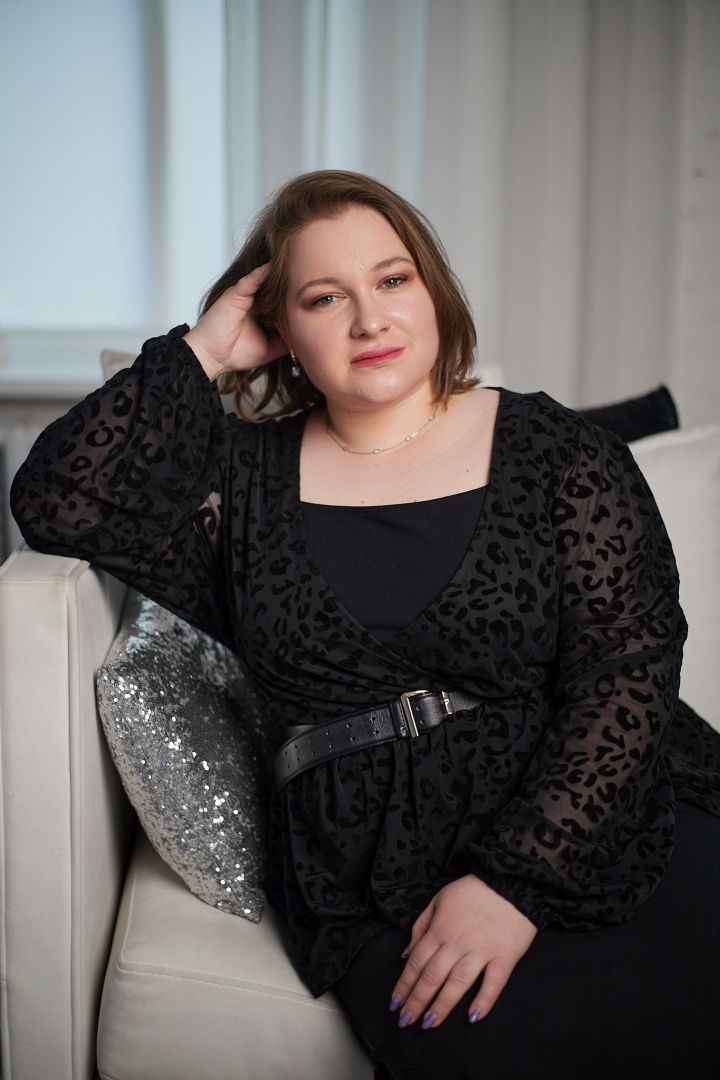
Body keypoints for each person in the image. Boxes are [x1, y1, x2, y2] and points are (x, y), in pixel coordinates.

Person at [11, 170, 720, 1079]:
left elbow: (629, 667)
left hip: (596, 815)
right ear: (282, 328)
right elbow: (58, 500)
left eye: (392, 280)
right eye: (324, 298)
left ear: (433, 290)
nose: (369, 320)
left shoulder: (560, 451)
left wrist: (515, 883)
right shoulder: (241, 485)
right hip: (371, 863)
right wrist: (207, 348)